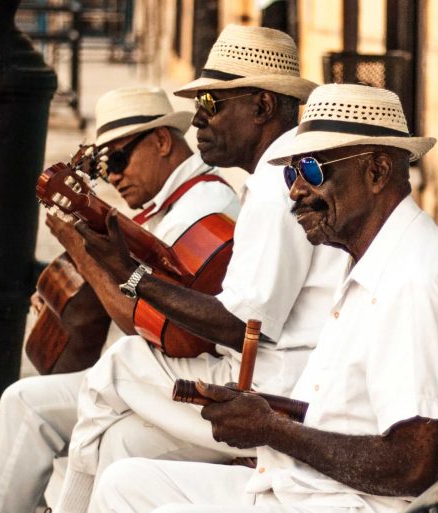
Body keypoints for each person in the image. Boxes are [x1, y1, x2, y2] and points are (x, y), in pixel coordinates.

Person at [94, 83, 438, 513]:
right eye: (290, 174)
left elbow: (412, 465)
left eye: (311, 170)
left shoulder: (412, 279)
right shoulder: (371, 260)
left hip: (367, 505)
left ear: (377, 170)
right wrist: (260, 410)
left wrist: (271, 429)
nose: (294, 191)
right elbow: (350, 412)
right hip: (322, 490)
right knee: (124, 484)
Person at [53, 25, 349, 513]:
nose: (198, 123)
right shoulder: (283, 173)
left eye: (212, 102)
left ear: (261, 107)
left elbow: (241, 325)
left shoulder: (281, 183)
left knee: (114, 369)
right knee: (122, 440)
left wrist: (131, 276)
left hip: (278, 393)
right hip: (278, 374)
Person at [0, 86, 241, 513]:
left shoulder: (203, 207)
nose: (110, 176)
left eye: (116, 159)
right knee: (36, 407)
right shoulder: (169, 204)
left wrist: (80, 250)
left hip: (189, 376)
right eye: (102, 165)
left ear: (162, 141)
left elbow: (143, 320)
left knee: (26, 406)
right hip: (159, 370)